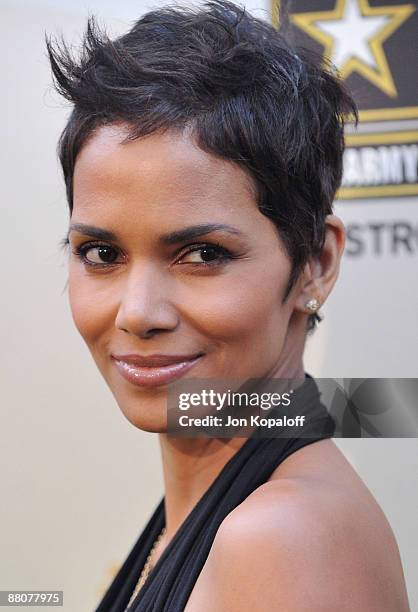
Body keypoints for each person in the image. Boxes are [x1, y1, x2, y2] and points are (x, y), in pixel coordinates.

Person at [46, 1, 410, 610]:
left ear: (316, 264)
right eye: (102, 253)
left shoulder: (283, 540)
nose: (137, 313)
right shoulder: (226, 510)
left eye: (202, 254)